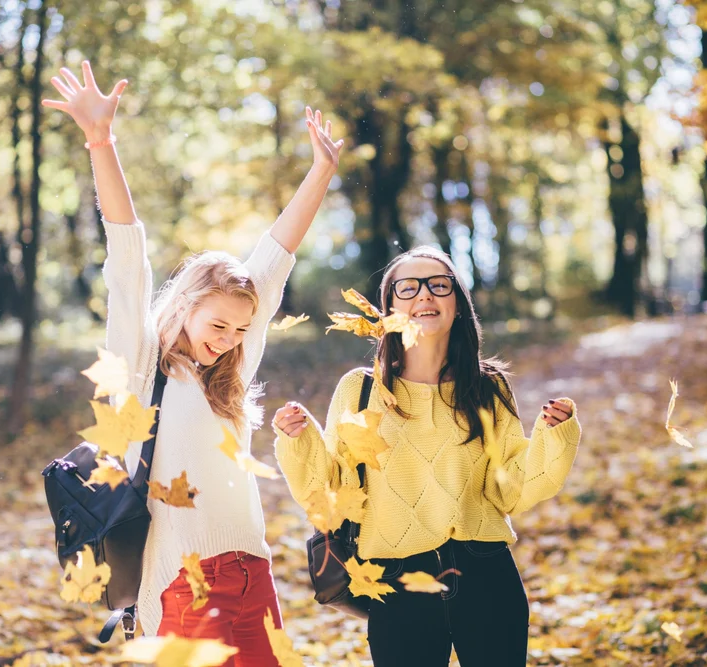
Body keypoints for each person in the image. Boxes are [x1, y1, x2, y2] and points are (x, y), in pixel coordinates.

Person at [42, 61, 343, 663]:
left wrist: (321, 171)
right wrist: (101, 142)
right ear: (184, 308)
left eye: (240, 328)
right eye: (217, 325)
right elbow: (129, 259)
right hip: (179, 582)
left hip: (252, 570)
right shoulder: (142, 364)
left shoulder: (230, 369)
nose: (230, 338)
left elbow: (275, 257)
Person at [272, 247, 582, 667]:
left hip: (486, 572)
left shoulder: (488, 388)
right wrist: (300, 440)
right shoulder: (360, 391)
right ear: (389, 309)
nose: (424, 296)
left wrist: (553, 434)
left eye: (439, 285)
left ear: (458, 305)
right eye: (408, 287)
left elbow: (509, 488)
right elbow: (330, 489)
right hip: (396, 580)